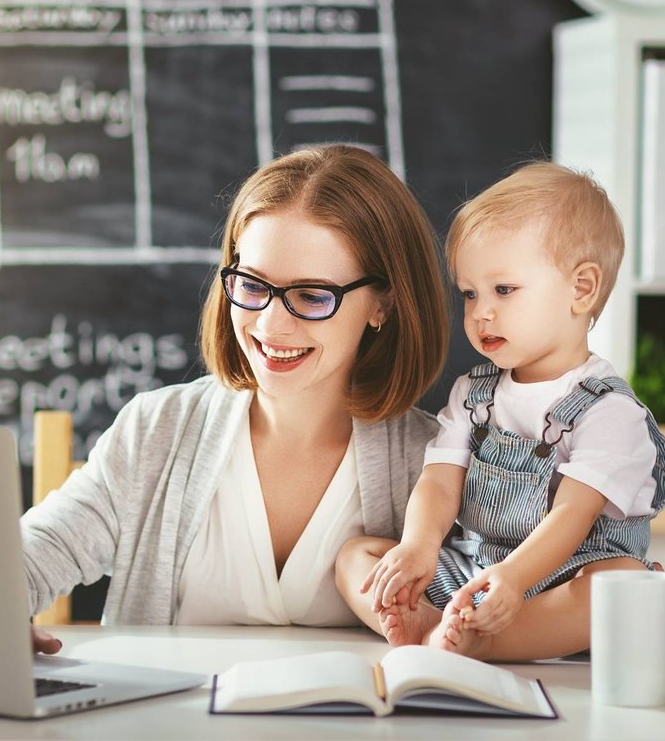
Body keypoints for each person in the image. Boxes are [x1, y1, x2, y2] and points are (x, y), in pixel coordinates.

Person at [22, 145, 449, 643]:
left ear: (384, 304)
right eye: (251, 284)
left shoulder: (437, 463)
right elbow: (38, 551)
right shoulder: (158, 429)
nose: (270, 324)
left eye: (311, 296)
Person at [335, 161, 665, 661]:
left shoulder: (609, 411)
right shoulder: (473, 393)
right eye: (469, 293)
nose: (481, 311)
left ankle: (480, 641)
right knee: (359, 556)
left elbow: (572, 515)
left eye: (504, 290)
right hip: (474, 571)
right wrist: (417, 547)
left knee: (623, 583)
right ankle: (432, 624)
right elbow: (439, 481)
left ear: (581, 289)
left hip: (559, 582)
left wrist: (513, 579)